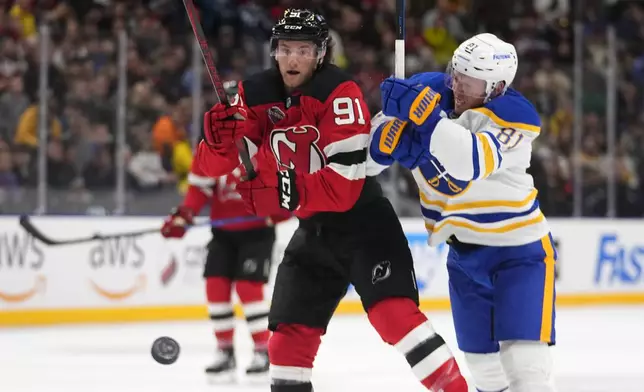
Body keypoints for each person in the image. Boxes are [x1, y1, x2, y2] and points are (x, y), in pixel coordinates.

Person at [194, 8, 468, 392]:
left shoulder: (341, 94)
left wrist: (280, 193)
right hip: (314, 231)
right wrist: (216, 140)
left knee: (395, 317)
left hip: (365, 225)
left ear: (321, 53)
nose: (292, 58)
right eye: (285, 48)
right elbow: (209, 167)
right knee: (287, 341)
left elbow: (343, 189)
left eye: (303, 50)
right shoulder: (254, 94)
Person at [369, 33, 558, 392]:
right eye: (456, 74)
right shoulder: (431, 91)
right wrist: (381, 138)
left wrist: (423, 121)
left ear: (496, 87)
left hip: (519, 253)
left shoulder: (516, 117)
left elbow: (467, 160)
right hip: (463, 257)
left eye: (468, 81)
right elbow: (369, 156)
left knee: (525, 366)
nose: (456, 85)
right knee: (484, 369)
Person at [161, 81, 291, 381]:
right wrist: (185, 215)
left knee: (248, 288)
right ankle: (225, 351)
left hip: (257, 233)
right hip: (224, 234)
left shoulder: (266, 144)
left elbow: (285, 191)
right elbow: (199, 189)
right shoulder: (213, 145)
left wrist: (280, 211)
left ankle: (262, 350)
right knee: (216, 287)